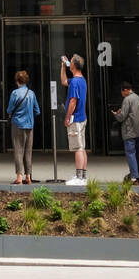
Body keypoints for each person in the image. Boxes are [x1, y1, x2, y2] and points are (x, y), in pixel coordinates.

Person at [6, 70, 40, 184]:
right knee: (28, 151)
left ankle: (19, 177)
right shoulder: (31, 93)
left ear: (17, 81)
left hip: (17, 124)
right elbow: (37, 110)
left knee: (18, 151)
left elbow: (9, 109)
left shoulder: (15, 93)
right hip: (29, 125)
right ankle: (28, 177)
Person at [112, 80, 139, 185]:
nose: (122, 95)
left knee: (131, 154)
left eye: (122, 92)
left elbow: (122, 116)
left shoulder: (127, 99)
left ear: (126, 90)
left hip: (130, 132)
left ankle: (134, 178)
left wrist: (116, 114)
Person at [61, 54, 88, 187]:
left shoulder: (75, 82)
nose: (69, 63)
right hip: (82, 117)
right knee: (82, 147)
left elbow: (73, 101)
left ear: (73, 65)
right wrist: (62, 66)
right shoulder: (81, 80)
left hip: (75, 119)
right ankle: (83, 176)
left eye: (70, 62)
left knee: (77, 148)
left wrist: (67, 117)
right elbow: (64, 81)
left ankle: (79, 177)